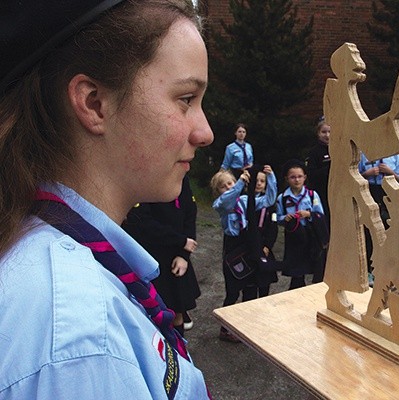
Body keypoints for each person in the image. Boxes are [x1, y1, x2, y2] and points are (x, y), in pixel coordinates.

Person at [0, 1, 213, 398]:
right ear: (94, 103)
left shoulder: (41, 247)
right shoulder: (80, 337)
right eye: (186, 98)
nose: (204, 132)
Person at [123, 174, 202, 336]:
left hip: (176, 258)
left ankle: (179, 355)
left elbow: (190, 213)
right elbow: (140, 223)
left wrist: (184, 254)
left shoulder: (182, 177)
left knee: (176, 315)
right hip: (151, 259)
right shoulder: (144, 179)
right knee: (152, 316)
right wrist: (180, 241)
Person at [210, 166, 277, 341]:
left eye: (230, 183)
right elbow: (228, 199)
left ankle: (246, 325)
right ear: (218, 191)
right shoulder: (221, 204)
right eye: (224, 186)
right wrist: (240, 182)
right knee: (233, 291)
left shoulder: (246, 200)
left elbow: (269, 200)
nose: (230, 187)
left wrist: (271, 177)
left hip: (247, 244)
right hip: (232, 247)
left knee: (249, 284)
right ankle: (225, 328)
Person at [276, 160, 326, 290]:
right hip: (294, 237)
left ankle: (316, 291)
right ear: (287, 179)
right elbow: (274, 217)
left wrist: (309, 214)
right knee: (297, 270)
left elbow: (320, 214)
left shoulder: (311, 195)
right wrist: (283, 218)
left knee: (315, 265)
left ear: (305, 177)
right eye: (292, 177)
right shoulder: (282, 198)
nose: (296, 180)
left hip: (310, 235)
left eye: (299, 177)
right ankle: (297, 289)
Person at [358, 153, 399, 285]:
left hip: (388, 192)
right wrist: (367, 174)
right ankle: (369, 271)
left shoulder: (394, 154)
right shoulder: (362, 154)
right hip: (370, 191)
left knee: (388, 230)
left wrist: (390, 172)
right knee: (369, 232)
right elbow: (355, 178)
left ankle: (390, 271)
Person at [305, 116, 332, 218]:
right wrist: (329, 169)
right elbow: (311, 174)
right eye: (324, 132)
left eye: (329, 132)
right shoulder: (314, 152)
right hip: (321, 193)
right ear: (318, 133)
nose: (327, 135)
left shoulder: (339, 149)